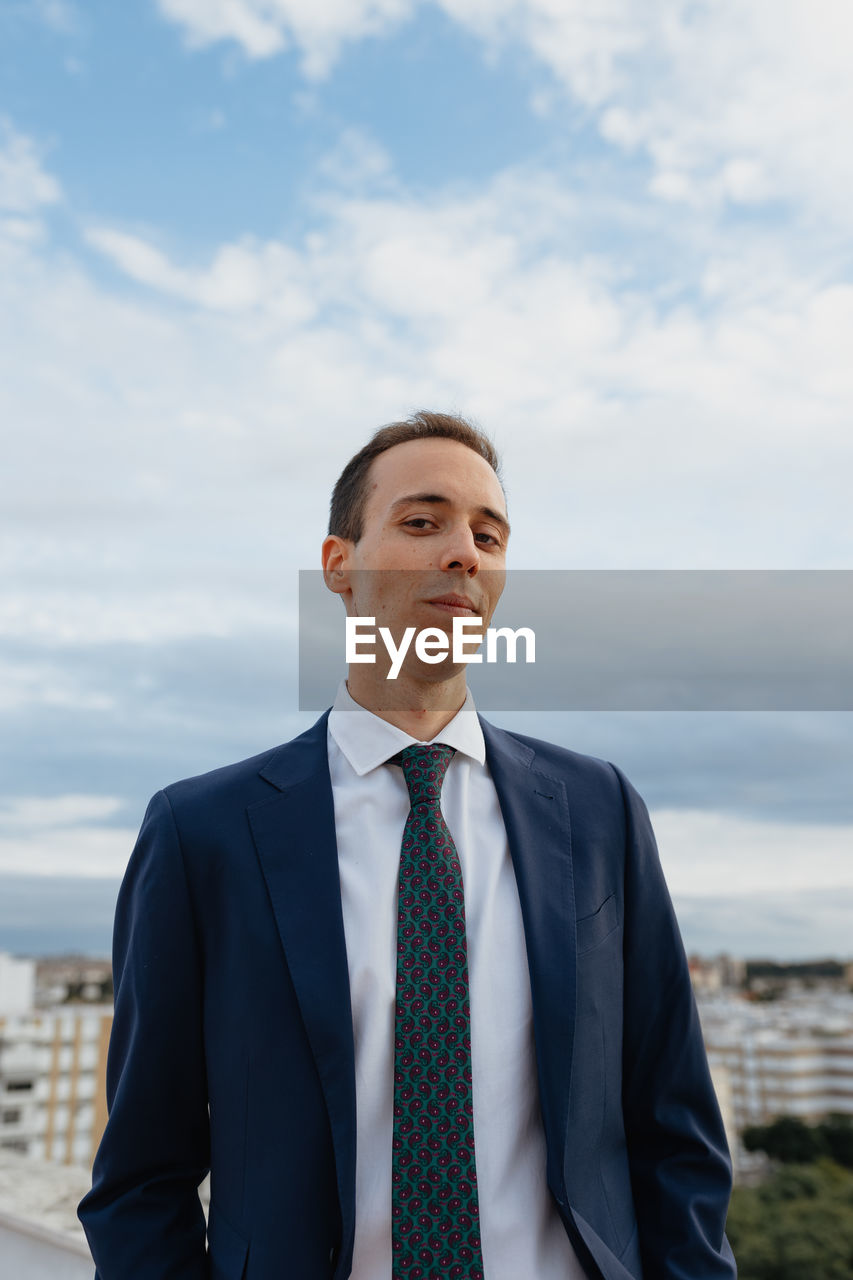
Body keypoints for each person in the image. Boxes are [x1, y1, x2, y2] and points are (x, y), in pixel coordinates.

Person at [77, 411, 737, 1279]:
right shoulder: (202, 831)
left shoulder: (599, 810)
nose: (463, 551)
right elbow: (140, 1179)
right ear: (338, 565)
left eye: (487, 534)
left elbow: (674, 1134)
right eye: (422, 522)